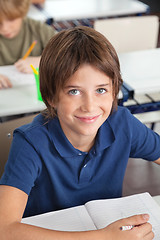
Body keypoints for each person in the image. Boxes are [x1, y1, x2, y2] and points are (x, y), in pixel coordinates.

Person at [0, 26, 159, 239]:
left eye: (101, 90)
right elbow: (5, 228)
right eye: (74, 91)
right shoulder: (30, 143)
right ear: (51, 97)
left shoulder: (122, 123)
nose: (90, 106)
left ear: (114, 91)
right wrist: (104, 237)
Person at [0, 0, 56, 89]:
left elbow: (71, 56)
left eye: (11, 19)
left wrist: (43, 62)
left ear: (22, 13)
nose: (5, 28)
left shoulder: (38, 29)